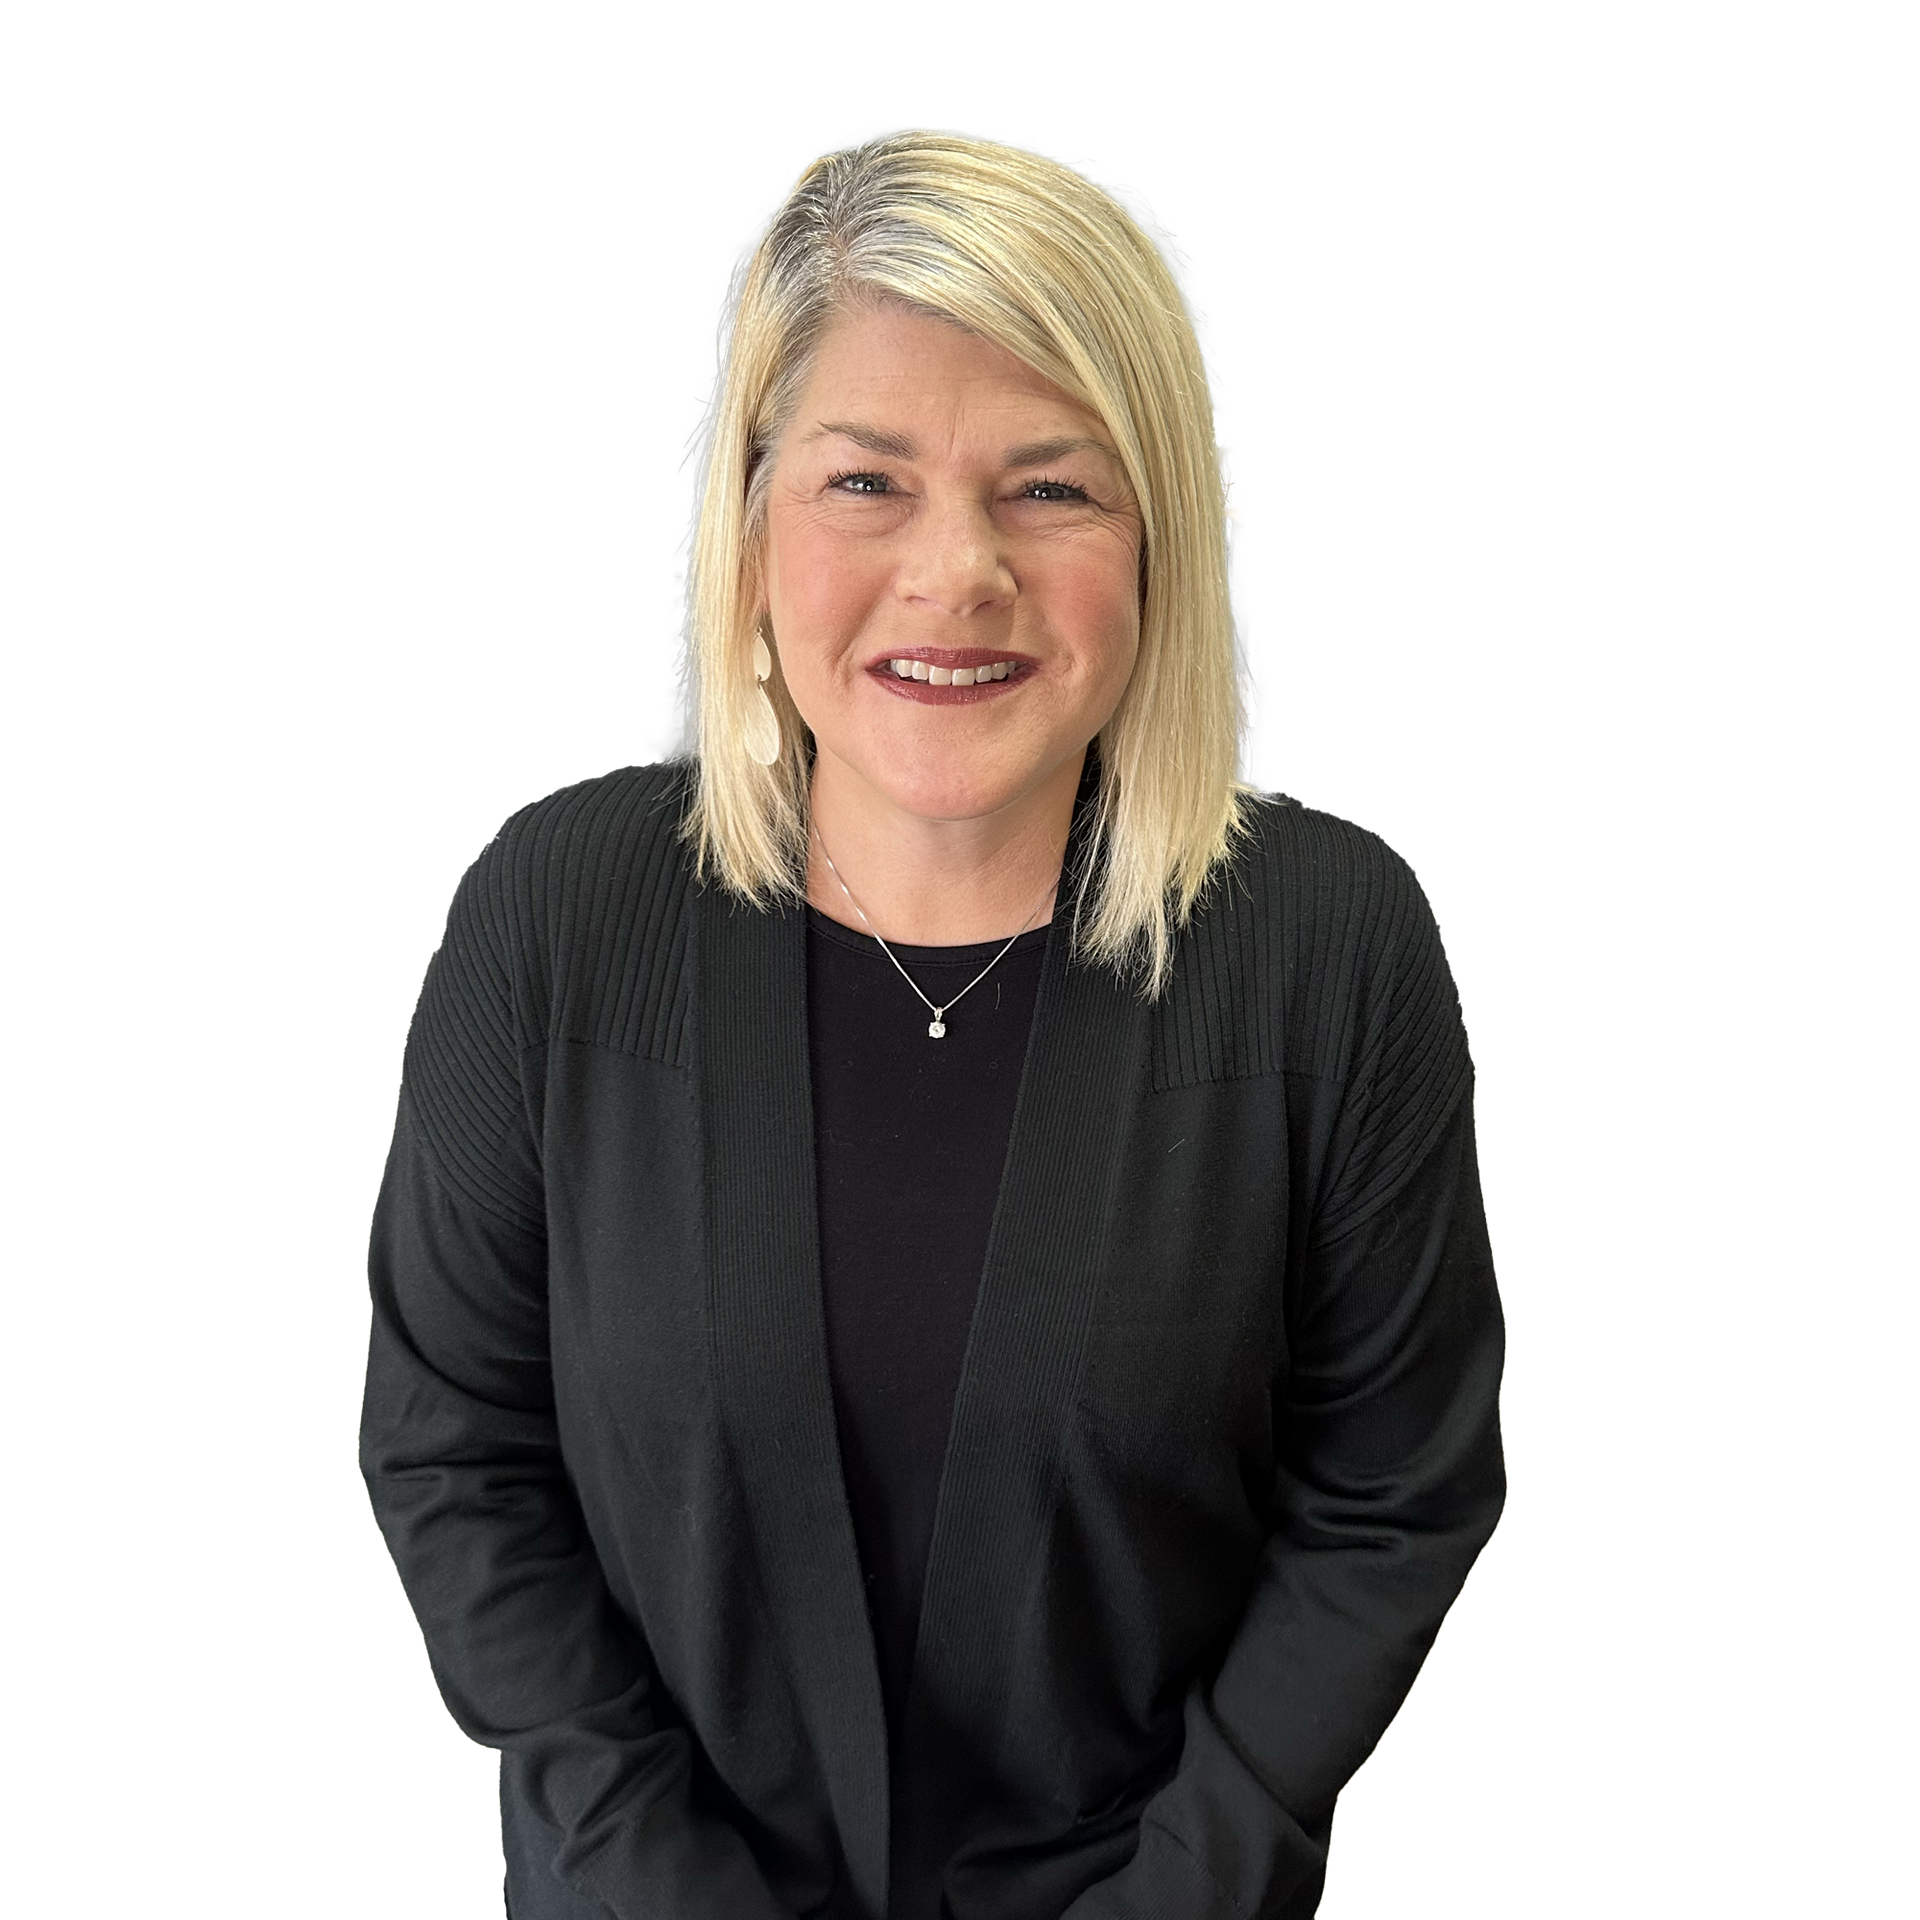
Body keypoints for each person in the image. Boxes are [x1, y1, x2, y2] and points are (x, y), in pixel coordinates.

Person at [360, 120, 1507, 1920]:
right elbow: (453, 1451)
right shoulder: (552, 915)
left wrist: (1188, 1889)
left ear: (1166, 540)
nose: (953, 570)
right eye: (864, 481)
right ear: (746, 520)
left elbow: (1393, 1490)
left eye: (1049, 486)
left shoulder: (1336, 946)